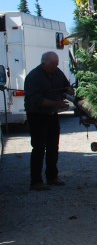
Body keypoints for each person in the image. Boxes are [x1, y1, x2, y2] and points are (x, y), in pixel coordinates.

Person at [24, 51, 73, 191]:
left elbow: (66, 85)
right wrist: (57, 104)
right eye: (53, 65)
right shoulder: (33, 77)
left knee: (53, 146)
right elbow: (37, 100)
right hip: (37, 115)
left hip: (52, 115)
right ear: (44, 63)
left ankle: (52, 177)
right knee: (39, 148)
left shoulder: (57, 72)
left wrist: (69, 90)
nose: (56, 67)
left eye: (57, 64)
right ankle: (36, 181)